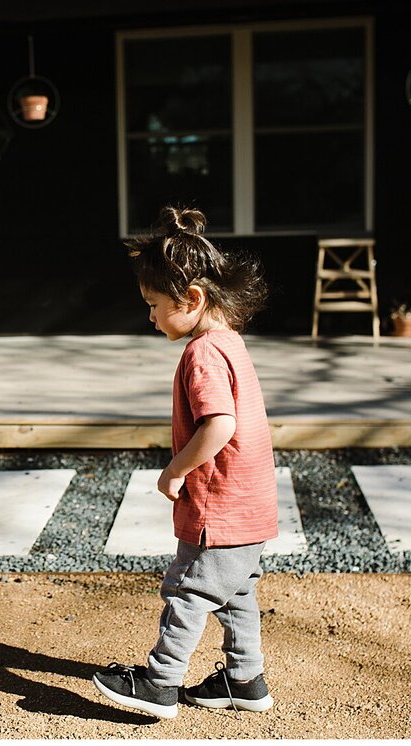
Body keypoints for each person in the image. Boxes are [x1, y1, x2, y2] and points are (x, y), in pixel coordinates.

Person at [92, 206, 277, 719]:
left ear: (192, 299)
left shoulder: (202, 353)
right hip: (252, 505)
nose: (150, 317)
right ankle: (245, 680)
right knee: (236, 592)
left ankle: (160, 681)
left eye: (153, 305)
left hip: (219, 506)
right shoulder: (230, 342)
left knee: (189, 588)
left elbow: (219, 425)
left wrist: (175, 469)